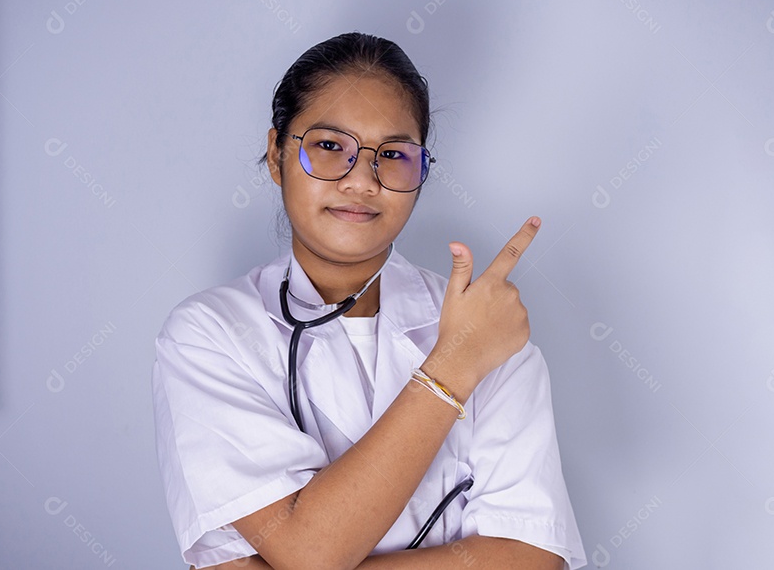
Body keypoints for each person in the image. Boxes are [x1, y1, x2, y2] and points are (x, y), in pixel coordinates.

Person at [152, 32, 586, 569]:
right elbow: (310, 551)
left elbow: (533, 559)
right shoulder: (210, 333)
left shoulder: (489, 328)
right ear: (275, 153)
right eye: (330, 146)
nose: (362, 180)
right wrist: (455, 365)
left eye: (393, 155)